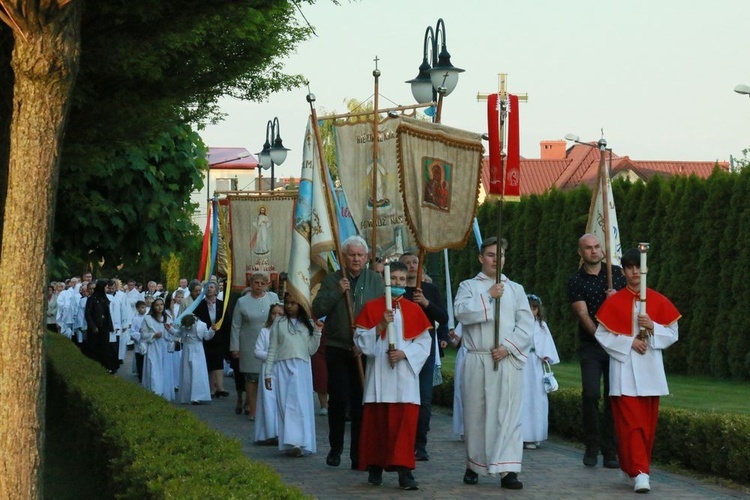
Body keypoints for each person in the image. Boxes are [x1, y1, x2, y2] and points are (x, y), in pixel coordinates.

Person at [595, 248, 680, 493]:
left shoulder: (658, 299)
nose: (634, 272)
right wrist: (629, 342)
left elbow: (673, 333)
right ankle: (642, 473)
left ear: (645, 269)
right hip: (625, 371)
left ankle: (631, 468)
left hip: (650, 371)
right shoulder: (615, 301)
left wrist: (652, 326)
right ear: (624, 271)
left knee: (647, 426)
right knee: (631, 425)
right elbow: (603, 334)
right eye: (629, 267)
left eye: (637, 267)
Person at [453, 236, 533, 490]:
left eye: (500, 255)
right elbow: (462, 313)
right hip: (478, 359)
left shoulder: (516, 289)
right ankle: (474, 464)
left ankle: (508, 469)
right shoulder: (468, 286)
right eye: (490, 254)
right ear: (481, 257)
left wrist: (508, 346)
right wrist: (488, 296)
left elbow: (526, 324)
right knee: (476, 413)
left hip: (505, 359)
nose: (496, 260)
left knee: (507, 414)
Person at [354, 261, 432, 490]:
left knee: (403, 427)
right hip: (379, 374)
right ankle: (375, 467)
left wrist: (404, 353)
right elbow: (360, 341)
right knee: (377, 425)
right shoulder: (371, 307)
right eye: (393, 279)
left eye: (402, 280)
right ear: (385, 281)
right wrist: (379, 326)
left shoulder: (414, 309)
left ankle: (404, 473)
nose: (397, 283)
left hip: (404, 377)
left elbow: (424, 343)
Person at [312, 235, 385, 470]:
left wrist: (365, 342)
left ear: (366, 257)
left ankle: (357, 453)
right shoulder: (333, 279)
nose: (355, 259)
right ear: (344, 257)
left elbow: (382, 313)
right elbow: (318, 308)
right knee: (338, 400)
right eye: (351, 254)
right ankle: (335, 449)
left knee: (359, 403)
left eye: (359, 255)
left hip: (364, 349)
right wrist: (337, 292)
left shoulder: (376, 280)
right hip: (337, 346)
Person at [567, 233, 626, 468]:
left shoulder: (617, 275)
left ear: (602, 249)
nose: (594, 251)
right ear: (581, 253)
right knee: (591, 394)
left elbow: (631, 308)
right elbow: (582, 314)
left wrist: (617, 299)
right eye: (588, 248)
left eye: (597, 246)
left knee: (615, 396)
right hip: (591, 346)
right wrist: (602, 338)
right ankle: (591, 447)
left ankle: (610, 452)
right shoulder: (576, 281)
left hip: (618, 346)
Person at [399, 252, 450, 461]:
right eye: (407, 263)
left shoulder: (429, 290)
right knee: (402, 396)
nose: (411, 266)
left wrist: (426, 303)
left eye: (414, 262)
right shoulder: (397, 291)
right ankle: (403, 440)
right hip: (402, 347)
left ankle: (420, 443)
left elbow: (444, 316)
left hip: (424, 349)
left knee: (424, 397)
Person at [264, 294, 322, 457]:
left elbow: (311, 350)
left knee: (300, 405)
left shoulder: (307, 324)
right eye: (287, 303)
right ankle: (290, 441)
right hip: (282, 366)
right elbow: (272, 348)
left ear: (300, 305)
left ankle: (300, 442)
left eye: (293, 303)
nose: (289, 306)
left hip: (301, 366)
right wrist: (268, 373)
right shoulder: (279, 323)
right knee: (286, 405)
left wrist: (317, 332)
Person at [231, 273, 280, 418]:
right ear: (250, 284)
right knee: (252, 378)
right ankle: (253, 409)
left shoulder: (273, 298)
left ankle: (269, 409)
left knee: (269, 375)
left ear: (267, 284)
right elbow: (235, 325)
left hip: (271, 341)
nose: (259, 285)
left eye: (262, 283)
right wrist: (235, 347)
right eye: (256, 282)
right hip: (249, 343)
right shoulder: (242, 301)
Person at [521, 294, 560, 449]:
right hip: (522, 363)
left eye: (534, 308)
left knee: (536, 398)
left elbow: (547, 343)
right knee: (523, 397)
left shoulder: (542, 325)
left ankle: (535, 434)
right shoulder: (518, 324)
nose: (532, 311)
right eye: (529, 308)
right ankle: (522, 434)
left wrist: (546, 355)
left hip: (536, 365)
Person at [194, 280, 231, 399]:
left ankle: (220, 387)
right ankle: (212, 389)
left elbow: (226, 322)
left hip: (219, 337)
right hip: (205, 337)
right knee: (208, 363)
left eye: (211, 287)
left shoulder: (221, 305)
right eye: (207, 287)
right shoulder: (199, 305)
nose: (209, 289)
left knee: (218, 361)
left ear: (216, 290)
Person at [254, 302, 285, 445]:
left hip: (282, 369)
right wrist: (272, 356)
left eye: (280, 314)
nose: (277, 316)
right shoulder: (265, 331)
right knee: (268, 401)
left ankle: (281, 432)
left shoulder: (286, 331)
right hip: (268, 369)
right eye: (274, 314)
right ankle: (268, 433)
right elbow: (257, 351)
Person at [139, 297, 175, 400]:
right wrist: (153, 335)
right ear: (153, 307)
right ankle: (155, 392)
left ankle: (164, 391)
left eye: (161, 305)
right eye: (157, 305)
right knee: (154, 369)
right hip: (153, 347)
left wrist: (169, 331)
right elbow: (143, 334)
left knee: (164, 369)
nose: (160, 307)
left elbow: (172, 333)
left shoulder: (168, 318)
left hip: (164, 347)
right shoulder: (148, 319)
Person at [174, 313, 214, 405]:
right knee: (186, 372)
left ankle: (197, 396)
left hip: (198, 350)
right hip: (187, 350)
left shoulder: (202, 325)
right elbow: (178, 333)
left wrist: (212, 330)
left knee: (198, 372)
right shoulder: (183, 324)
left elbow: (207, 337)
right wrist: (170, 330)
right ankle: (186, 396)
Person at [85, 279, 118, 373]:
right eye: (106, 287)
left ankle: (107, 366)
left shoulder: (104, 298)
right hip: (95, 328)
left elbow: (108, 314)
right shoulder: (91, 299)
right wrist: (93, 326)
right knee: (95, 347)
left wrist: (110, 326)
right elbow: (88, 314)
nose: (107, 289)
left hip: (104, 327)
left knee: (106, 347)